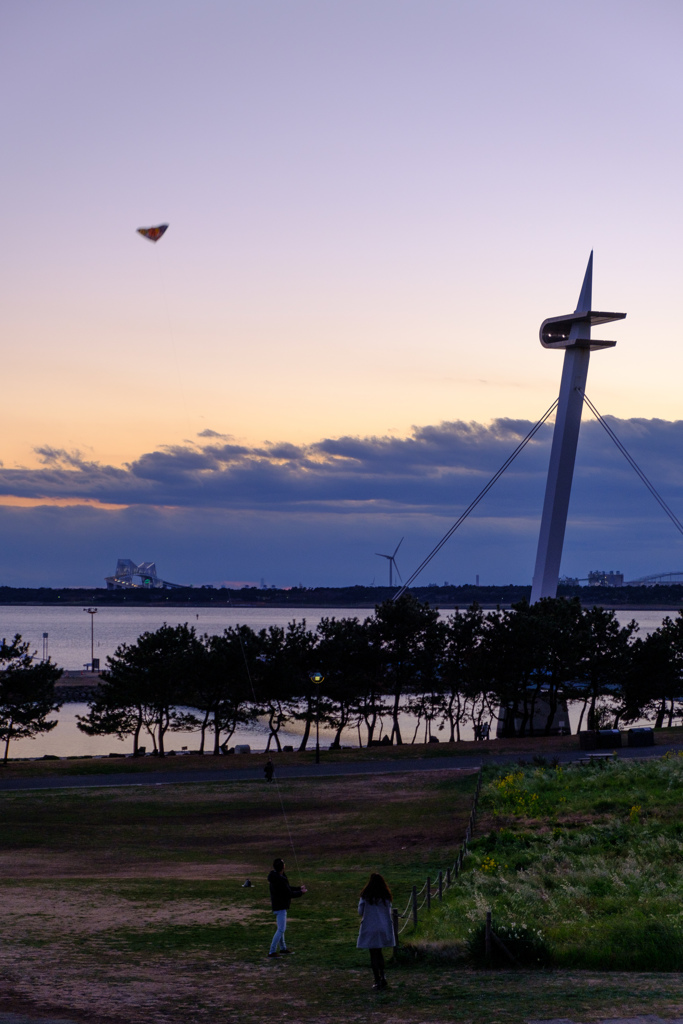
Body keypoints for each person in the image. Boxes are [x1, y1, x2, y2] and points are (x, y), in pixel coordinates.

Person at [357, 873, 395, 989]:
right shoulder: (386, 897)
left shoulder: (366, 896)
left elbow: (360, 911)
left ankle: (377, 980)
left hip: (370, 927)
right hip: (382, 927)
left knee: (373, 954)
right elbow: (389, 911)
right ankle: (383, 977)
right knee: (380, 953)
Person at [267, 857, 307, 958]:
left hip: (278, 905)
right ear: (282, 867)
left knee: (281, 928)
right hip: (280, 906)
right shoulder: (279, 879)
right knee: (281, 929)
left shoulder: (277, 877)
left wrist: (298, 888)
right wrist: (301, 893)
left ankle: (283, 948)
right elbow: (288, 893)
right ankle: (272, 951)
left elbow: (287, 888)